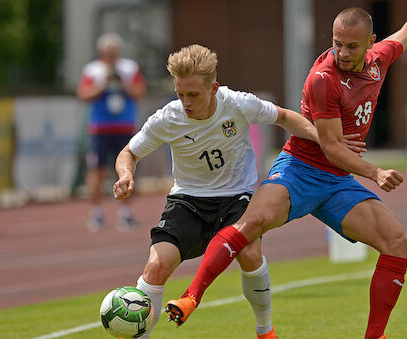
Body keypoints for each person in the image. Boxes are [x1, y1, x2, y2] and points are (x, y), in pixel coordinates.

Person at [164, 1, 407, 338]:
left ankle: (375, 336)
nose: (342, 52)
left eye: (351, 46)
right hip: (300, 169)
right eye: (336, 43)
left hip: (336, 182)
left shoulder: (379, 61)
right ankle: (190, 298)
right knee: (251, 223)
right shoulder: (323, 78)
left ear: (371, 42)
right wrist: (375, 173)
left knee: (397, 241)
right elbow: (331, 148)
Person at [112, 44, 366, 338]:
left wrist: (327, 142)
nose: (185, 102)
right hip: (187, 201)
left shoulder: (238, 104)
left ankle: (265, 330)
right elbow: (128, 153)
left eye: (193, 94)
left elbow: (284, 117)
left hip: (237, 198)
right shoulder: (167, 118)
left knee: (248, 252)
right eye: (180, 93)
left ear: (214, 88)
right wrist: (125, 175)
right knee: (156, 266)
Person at [77, 32, 146, 231]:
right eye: (108, 53)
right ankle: (96, 213)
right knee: (97, 171)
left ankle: (126, 213)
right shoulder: (93, 70)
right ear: (102, 53)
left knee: (126, 170)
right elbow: (83, 94)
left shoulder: (129, 68)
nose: (111, 56)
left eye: (114, 52)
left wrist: (122, 82)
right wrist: (104, 83)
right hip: (100, 128)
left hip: (124, 127)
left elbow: (139, 91)